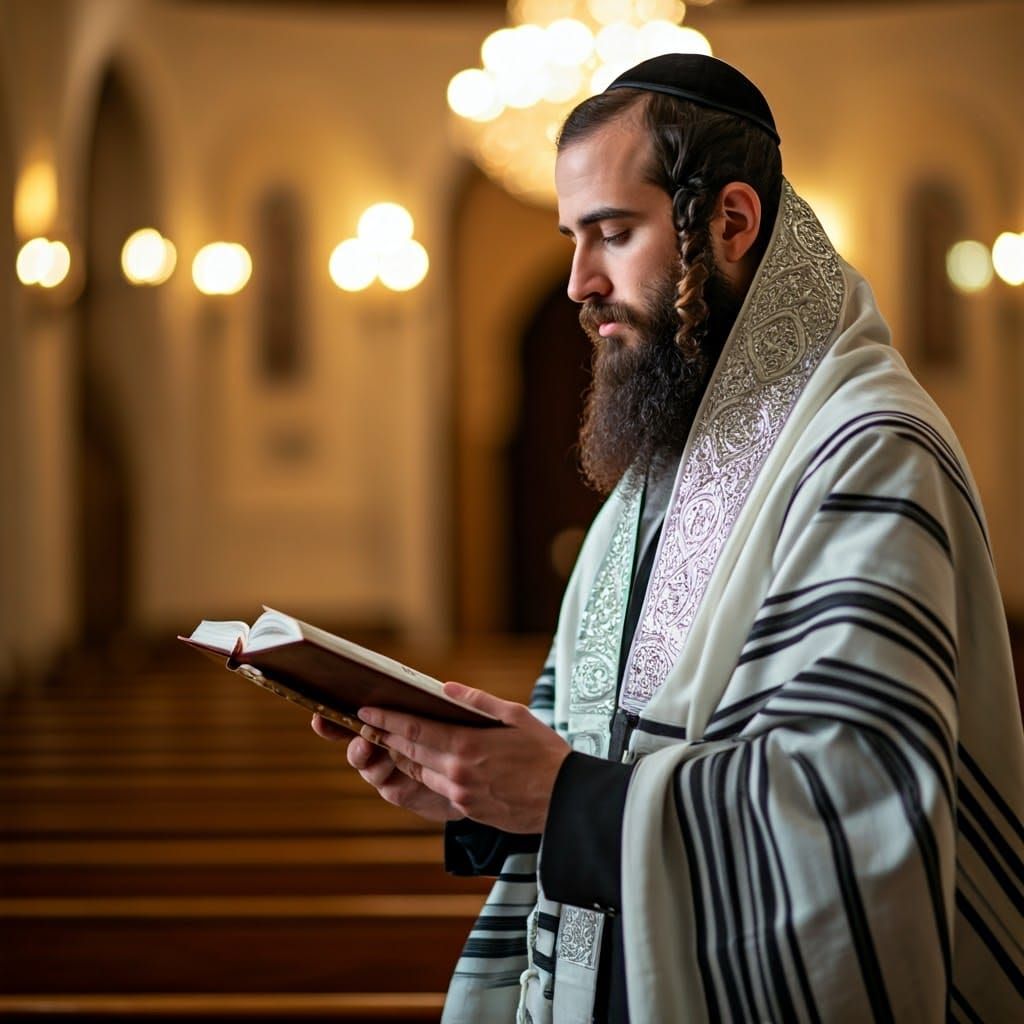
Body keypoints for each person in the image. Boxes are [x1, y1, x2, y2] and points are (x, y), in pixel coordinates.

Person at [313, 54, 1024, 1022]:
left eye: (611, 233)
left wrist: (561, 798)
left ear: (731, 222)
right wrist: (474, 790)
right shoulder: (656, 476)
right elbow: (583, 755)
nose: (576, 281)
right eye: (572, 237)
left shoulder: (867, 454)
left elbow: (854, 818)